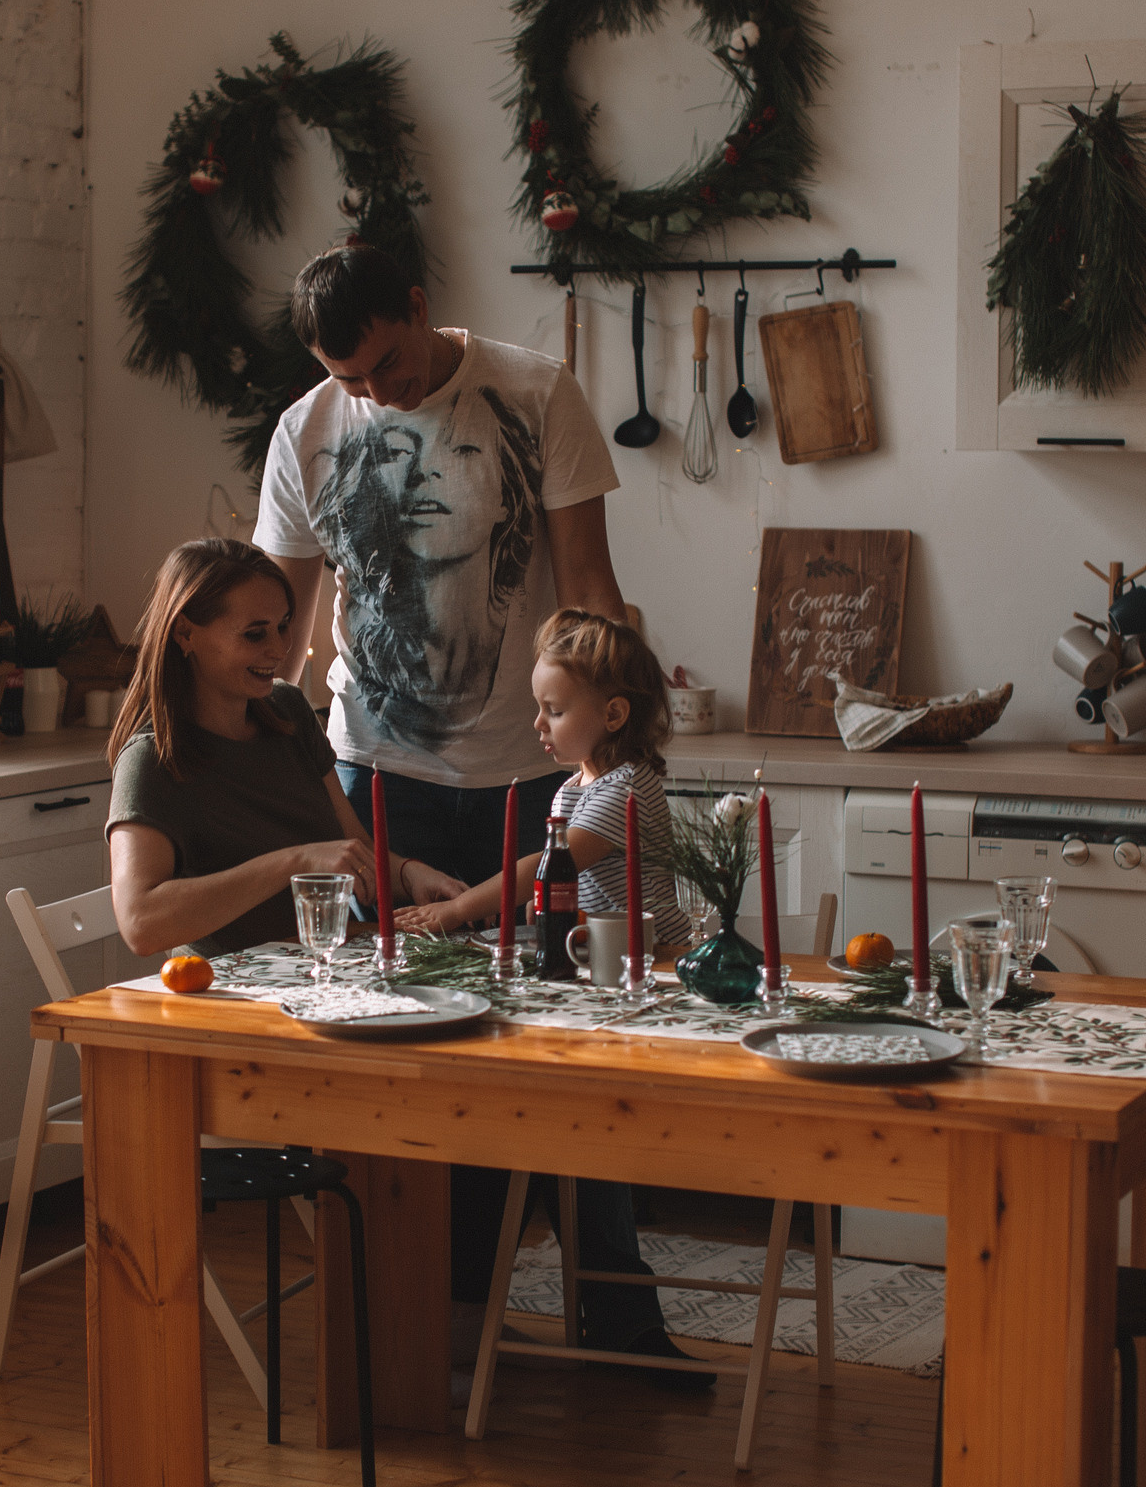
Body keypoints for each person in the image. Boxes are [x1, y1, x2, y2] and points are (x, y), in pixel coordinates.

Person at [256, 245, 708, 1388]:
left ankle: (619, 1326)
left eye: (389, 365)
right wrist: (274, 765)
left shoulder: (533, 390)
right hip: (375, 779)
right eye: (352, 378)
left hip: (533, 781)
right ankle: (430, 1327)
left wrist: (628, 746)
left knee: (575, 1058)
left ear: (422, 306)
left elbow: (589, 593)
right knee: (400, 1061)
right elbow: (275, 628)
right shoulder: (306, 430)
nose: (376, 394)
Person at [105, 538, 463, 960]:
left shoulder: (288, 711)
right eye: (255, 634)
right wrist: (293, 863)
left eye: (283, 625)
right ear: (185, 633)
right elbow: (140, 925)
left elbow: (353, 850)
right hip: (235, 995)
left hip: (329, 967)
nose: (279, 649)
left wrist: (406, 872)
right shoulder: (152, 760)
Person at [395, 610, 683, 957]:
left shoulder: (625, 791)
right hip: (606, 949)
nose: (538, 723)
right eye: (539, 707)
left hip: (659, 954)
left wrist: (457, 910)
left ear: (613, 715)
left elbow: (545, 863)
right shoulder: (575, 786)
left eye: (555, 711)